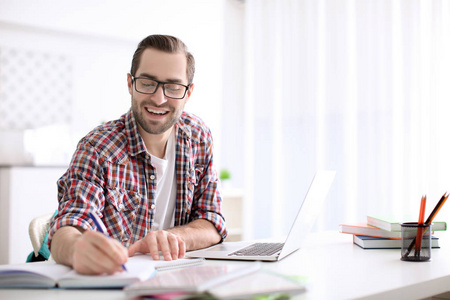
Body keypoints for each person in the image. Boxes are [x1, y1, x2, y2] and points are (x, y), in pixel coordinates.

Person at [47, 34, 227, 275]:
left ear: (188, 93)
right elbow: (68, 227)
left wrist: (169, 237)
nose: (159, 98)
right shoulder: (97, 148)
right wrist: (76, 248)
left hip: (174, 280)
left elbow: (213, 222)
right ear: (130, 83)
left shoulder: (198, 137)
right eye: (147, 83)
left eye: (173, 87)